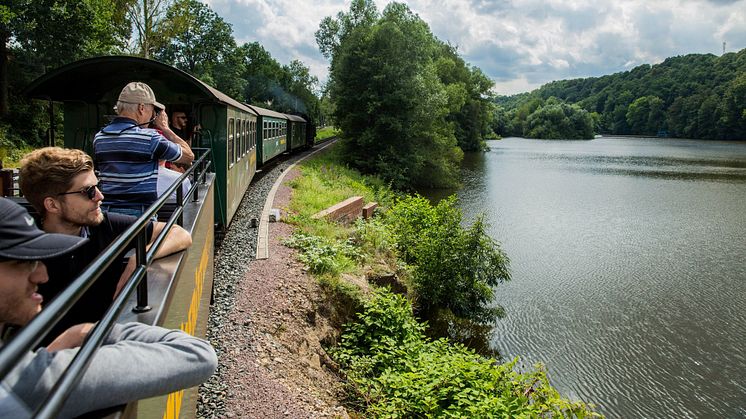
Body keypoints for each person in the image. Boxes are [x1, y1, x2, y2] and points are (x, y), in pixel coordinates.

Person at [0, 198, 217, 418]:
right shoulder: (32, 379)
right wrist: (90, 331)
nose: (42, 275)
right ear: (51, 204)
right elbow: (197, 353)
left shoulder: (106, 224)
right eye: (23, 262)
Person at [19, 147, 192, 344]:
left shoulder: (105, 225)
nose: (100, 196)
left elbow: (179, 233)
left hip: (97, 348)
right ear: (52, 205)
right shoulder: (23, 250)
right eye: (88, 191)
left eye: (97, 186)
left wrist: (141, 256)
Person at [93, 82, 195, 217]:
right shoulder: (150, 138)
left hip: (107, 215)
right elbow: (189, 156)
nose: (153, 115)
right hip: (140, 216)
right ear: (141, 108)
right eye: (152, 110)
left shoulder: (99, 137)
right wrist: (165, 128)